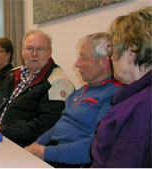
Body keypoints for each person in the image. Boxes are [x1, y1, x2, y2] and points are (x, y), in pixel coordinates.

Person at [24, 32, 124, 167]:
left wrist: (44, 152)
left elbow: (94, 146)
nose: (77, 64)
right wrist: (34, 147)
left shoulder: (114, 95)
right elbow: (57, 128)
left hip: (71, 161)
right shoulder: (80, 91)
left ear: (104, 62)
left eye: (83, 58)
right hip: (52, 152)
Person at [0, 30, 74, 148]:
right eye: (29, 49)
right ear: (22, 52)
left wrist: (3, 130)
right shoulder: (14, 74)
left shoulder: (58, 81)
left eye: (40, 49)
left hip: (21, 145)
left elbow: (47, 125)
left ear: (49, 52)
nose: (34, 54)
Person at [91, 7, 151, 168]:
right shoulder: (139, 97)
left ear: (131, 52)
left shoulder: (141, 107)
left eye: (114, 48)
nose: (110, 57)